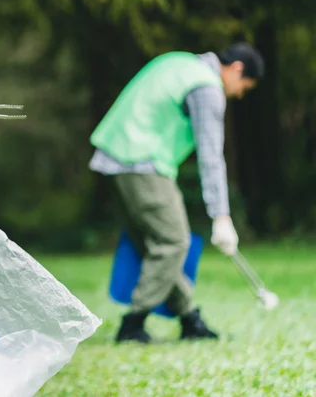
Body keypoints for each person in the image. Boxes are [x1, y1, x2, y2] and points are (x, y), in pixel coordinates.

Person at [89, 43, 264, 343]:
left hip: (113, 156)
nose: (239, 94)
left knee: (155, 245)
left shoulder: (180, 63)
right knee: (173, 242)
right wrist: (221, 216)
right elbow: (211, 156)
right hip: (140, 160)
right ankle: (133, 324)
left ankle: (189, 319)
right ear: (236, 69)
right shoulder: (207, 88)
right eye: (243, 86)